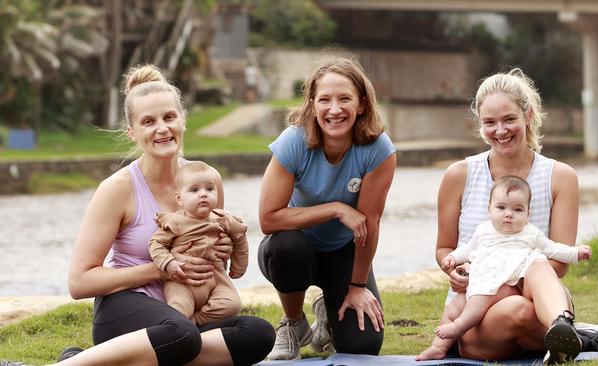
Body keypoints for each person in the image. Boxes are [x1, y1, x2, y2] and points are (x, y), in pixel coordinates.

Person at [416, 68, 598, 364]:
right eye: (490, 122)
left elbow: (559, 264)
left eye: (509, 119)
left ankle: (562, 329)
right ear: (480, 125)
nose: (500, 130)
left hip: (540, 297)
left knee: (535, 269)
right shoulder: (459, 175)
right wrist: (455, 272)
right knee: (517, 309)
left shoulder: (560, 177)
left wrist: (511, 277)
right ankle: (584, 339)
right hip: (478, 311)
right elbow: (444, 249)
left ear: (528, 115)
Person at [51, 64, 274, 366]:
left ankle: (104, 361)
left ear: (183, 120)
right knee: (180, 335)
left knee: (258, 333)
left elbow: (210, 259)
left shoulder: (205, 180)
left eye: (169, 117)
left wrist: (223, 251)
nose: (162, 128)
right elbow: (80, 282)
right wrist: (161, 270)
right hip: (126, 305)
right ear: (132, 132)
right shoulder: (117, 189)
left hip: (186, 309)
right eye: (148, 121)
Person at [257, 56, 397, 360]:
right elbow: (268, 219)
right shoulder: (293, 142)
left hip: (344, 251)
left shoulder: (378, 150)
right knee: (286, 246)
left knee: (363, 347)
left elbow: (369, 223)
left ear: (361, 104)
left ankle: (327, 314)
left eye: (344, 98)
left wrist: (358, 286)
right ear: (312, 104)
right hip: (294, 247)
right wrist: (334, 208)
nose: (334, 109)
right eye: (325, 100)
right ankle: (294, 323)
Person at [419, 175, 592, 361]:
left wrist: (576, 253)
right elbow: (467, 249)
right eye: (501, 208)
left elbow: (553, 249)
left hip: (512, 282)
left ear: (527, 214)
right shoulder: (483, 231)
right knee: (455, 308)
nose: (509, 214)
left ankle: (561, 327)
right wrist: (452, 258)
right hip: (482, 283)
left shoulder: (531, 233)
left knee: (539, 262)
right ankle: (439, 346)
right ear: (489, 209)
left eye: (518, 209)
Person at [149, 161, 248, 326]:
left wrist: (239, 266)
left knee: (232, 305)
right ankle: (179, 327)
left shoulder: (223, 219)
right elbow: (156, 243)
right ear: (179, 198)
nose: (203, 194)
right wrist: (169, 263)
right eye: (194, 190)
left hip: (216, 277)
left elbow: (240, 237)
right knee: (178, 309)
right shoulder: (176, 222)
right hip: (182, 281)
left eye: (209, 189)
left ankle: (194, 322)